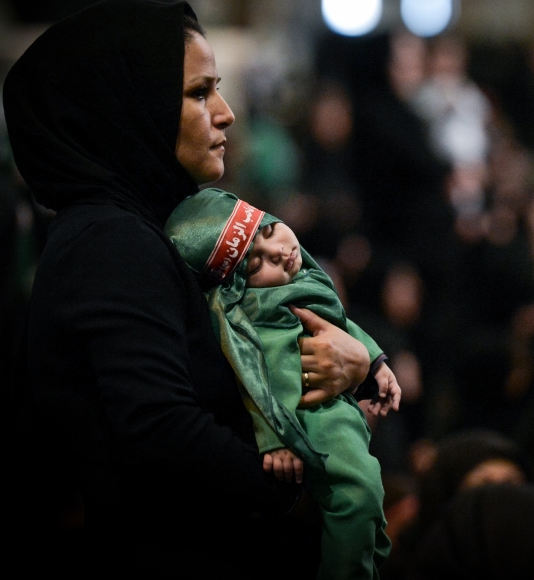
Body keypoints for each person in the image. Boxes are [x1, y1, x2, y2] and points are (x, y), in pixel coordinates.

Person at [3, 0, 374, 575]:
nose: (225, 114)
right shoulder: (110, 242)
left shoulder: (147, 229)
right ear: (128, 110)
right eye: (199, 94)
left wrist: (348, 365)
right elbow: (161, 431)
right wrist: (301, 490)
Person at [165, 187, 399, 579]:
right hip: (310, 419)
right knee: (357, 498)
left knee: (369, 500)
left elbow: (339, 322)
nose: (277, 252)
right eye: (254, 265)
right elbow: (252, 372)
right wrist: (276, 438)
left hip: (336, 412)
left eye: (268, 232)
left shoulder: (300, 277)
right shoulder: (255, 312)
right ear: (235, 286)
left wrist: (374, 363)